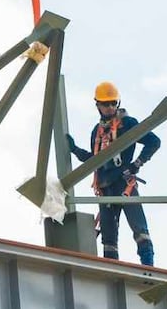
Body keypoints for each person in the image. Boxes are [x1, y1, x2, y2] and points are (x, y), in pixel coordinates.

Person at [67, 81, 160, 265]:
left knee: (139, 229)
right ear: (98, 105)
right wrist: (75, 149)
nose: (110, 107)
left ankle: (149, 266)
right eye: (105, 104)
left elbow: (153, 141)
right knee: (108, 239)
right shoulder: (97, 131)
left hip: (124, 184)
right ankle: (111, 271)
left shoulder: (127, 124)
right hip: (105, 189)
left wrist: (136, 164)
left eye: (113, 103)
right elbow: (94, 161)